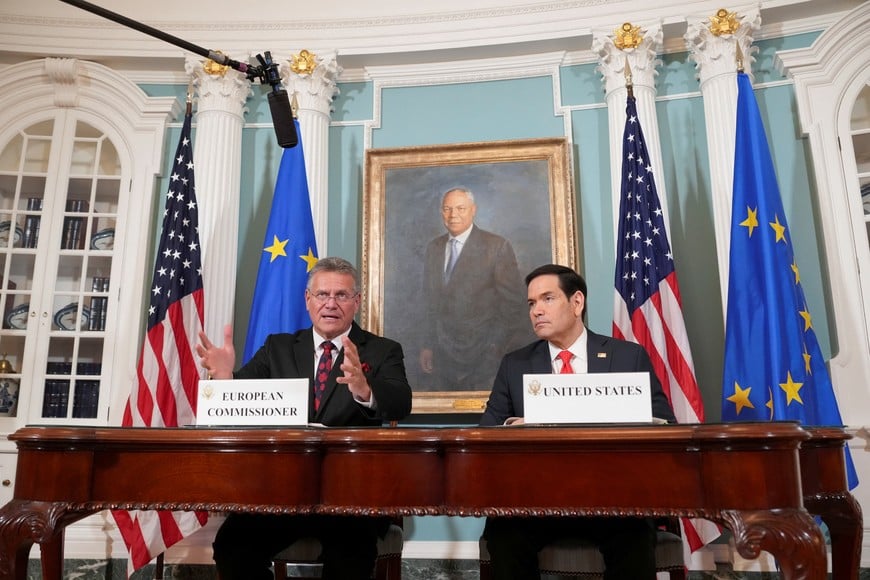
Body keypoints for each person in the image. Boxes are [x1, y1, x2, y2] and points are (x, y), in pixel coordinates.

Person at [196, 256, 412, 580]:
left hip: (349, 498)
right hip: (282, 493)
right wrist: (226, 378)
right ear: (308, 301)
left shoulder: (382, 351)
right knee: (232, 547)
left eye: (341, 295)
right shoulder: (277, 348)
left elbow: (401, 402)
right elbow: (238, 405)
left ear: (356, 302)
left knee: (351, 557)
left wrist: (365, 389)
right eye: (322, 295)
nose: (331, 304)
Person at [480, 263, 676, 580]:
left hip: (613, 501)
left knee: (635, 536)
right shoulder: (515, 364)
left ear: (577, 302)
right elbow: (485, 435)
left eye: (547, 299)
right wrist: (513, 429)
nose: (536, 311)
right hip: (536, 503)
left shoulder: (628, 356)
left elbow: (666, 427)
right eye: (531, 303)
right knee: (504, 535)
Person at [420, 186, 531, 389]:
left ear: (473, 210)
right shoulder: (433, 248)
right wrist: (428, 345)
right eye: (447, 208)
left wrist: (494, 347)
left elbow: (514, 305)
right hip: (442, 356)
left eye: (461, 208)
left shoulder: (496, 247)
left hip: (483, 356)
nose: (453, 215)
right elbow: (430, 303)